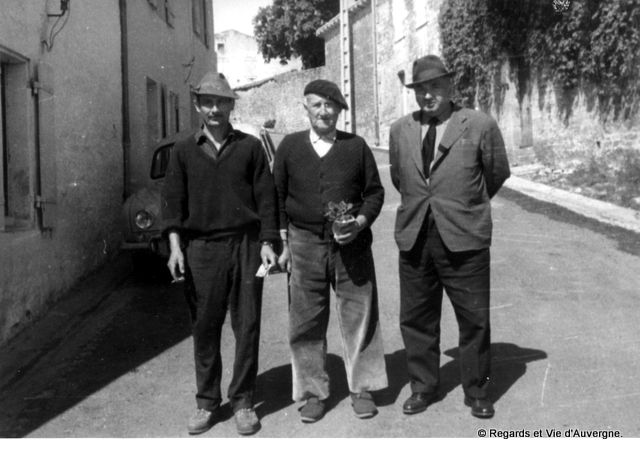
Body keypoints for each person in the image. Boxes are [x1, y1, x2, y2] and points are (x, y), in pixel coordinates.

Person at [389, 55, 510, 419]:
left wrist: (464, 206)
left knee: (474, 319)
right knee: (416, 317)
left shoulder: (478, 124)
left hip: (464, 237)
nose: (428, 95)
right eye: (421, 89)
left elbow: (496, 173)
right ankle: (423, 388)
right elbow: (400, 178)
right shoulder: (400, 129)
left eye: (435, 87)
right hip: (415, 236)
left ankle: (478, 390)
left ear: (450, 86)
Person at [161, 71, 279, 435]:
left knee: (247, 324)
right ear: (198, 105)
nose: (215, 109)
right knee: (205, 326)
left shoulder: (250, 146)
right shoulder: (183, 151)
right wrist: (175, 248)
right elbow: (173, 204)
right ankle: (207, 402)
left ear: (231, 106)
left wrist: (268, 242)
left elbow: (266, 197)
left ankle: (243, 401)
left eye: (222, 102)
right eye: (208, 102)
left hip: (245, 245)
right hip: (202, 249)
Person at [274, 80, 388, 423]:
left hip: (351, 245)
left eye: (331, 105)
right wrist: (282, 243)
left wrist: (361, 221)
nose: (324, 112)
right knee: (306, 320)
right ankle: (312, 393)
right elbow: (276, 197)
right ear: (305, 108)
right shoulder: (290, 147)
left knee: (360, 315)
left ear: (340, 110)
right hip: (304, 242)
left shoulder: (356, 147)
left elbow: (375, 192)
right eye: (317, 105)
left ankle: (362, 388)